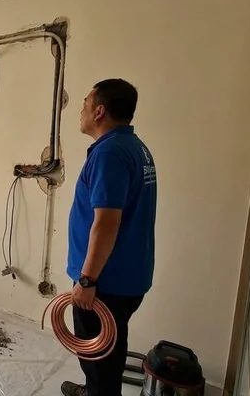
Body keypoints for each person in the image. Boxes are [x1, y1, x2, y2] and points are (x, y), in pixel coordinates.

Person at [61, 79, 158, 396]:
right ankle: (93, 390)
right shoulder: (134, 147)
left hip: (105, 282)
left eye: (85, 102)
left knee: (99, 356)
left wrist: (87, 281)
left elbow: (106, 223)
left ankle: (98, 391)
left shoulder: (110, 154)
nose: (81, 109)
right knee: (108, 351)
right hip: (127, 276)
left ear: (99, 110)